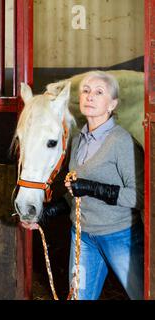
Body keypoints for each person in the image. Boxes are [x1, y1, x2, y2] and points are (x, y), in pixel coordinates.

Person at [42, 71, 144, 300]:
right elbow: (76, 190)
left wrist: (94, 188)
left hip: (120, 235)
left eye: (99, 92)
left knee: (142, 295)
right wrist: (51, 210)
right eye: (86, 91)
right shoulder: (78, 140)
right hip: (83, 237)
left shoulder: (122, 141)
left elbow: (140, 196)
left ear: (112, 104)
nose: (90, 96)